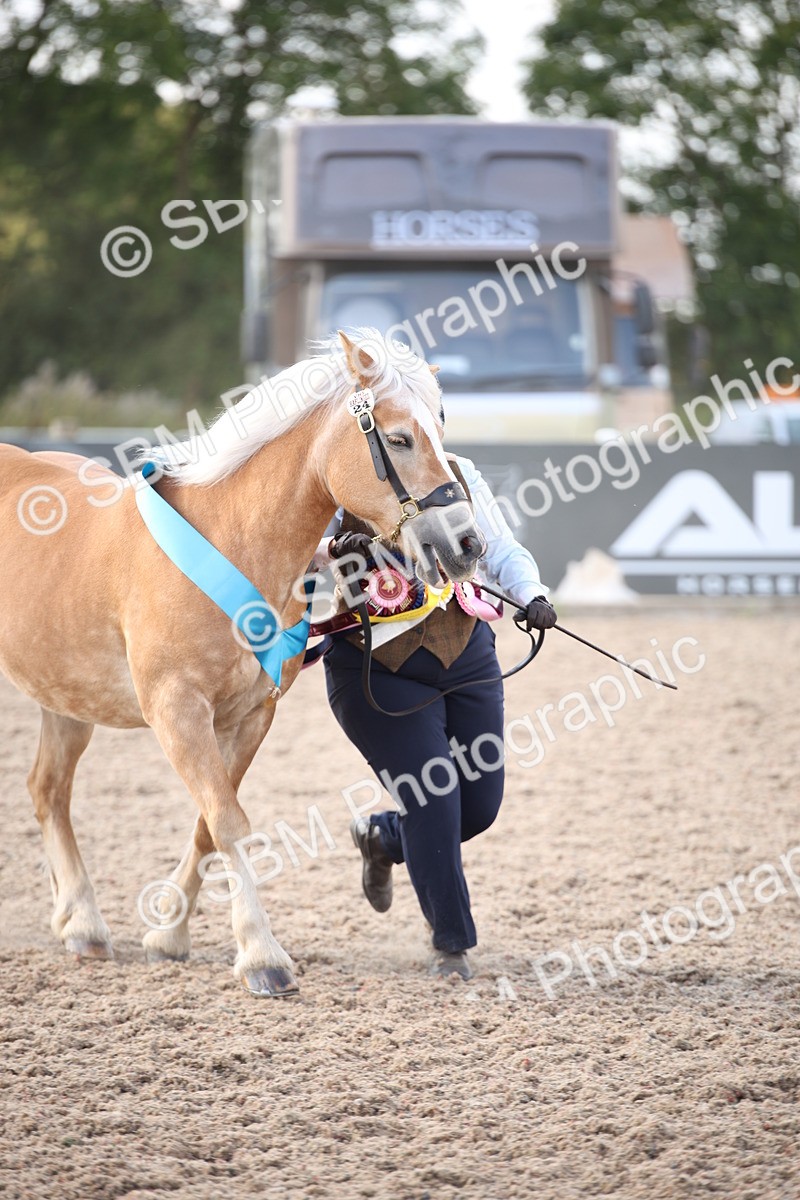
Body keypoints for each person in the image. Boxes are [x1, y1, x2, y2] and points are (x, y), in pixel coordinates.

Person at [318, 456, 556, 980]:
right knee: (433, 797)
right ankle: (452, 944)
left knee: (478, 809)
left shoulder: (459, 471)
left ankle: (384, 837)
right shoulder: (340, 476)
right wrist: (334, 549)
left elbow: (499, 549)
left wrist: (532, 594)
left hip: (466, 653)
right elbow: (295, 556)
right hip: (375, 669)